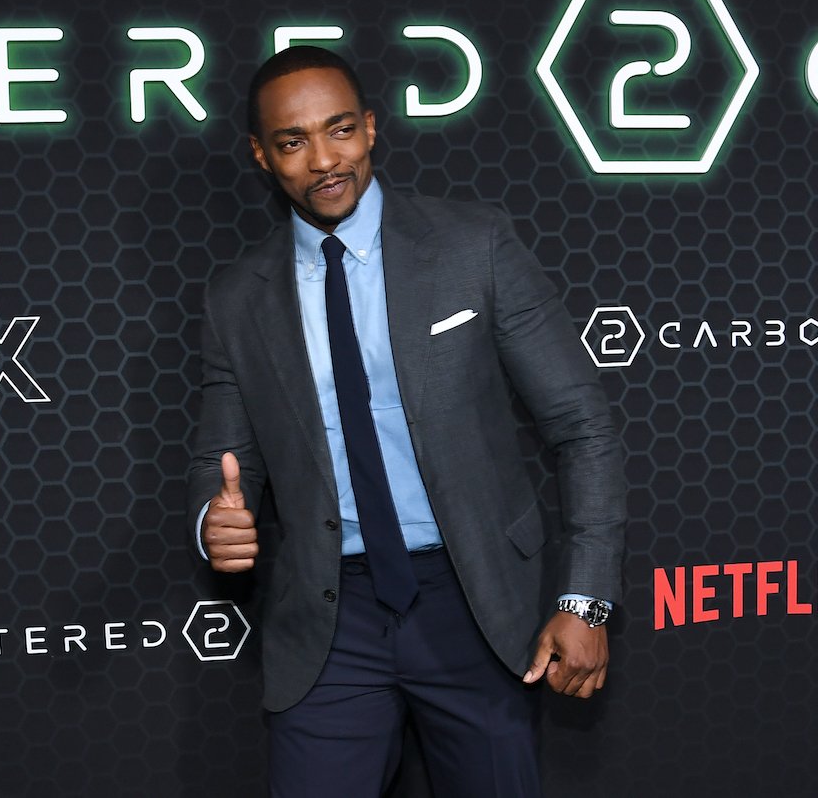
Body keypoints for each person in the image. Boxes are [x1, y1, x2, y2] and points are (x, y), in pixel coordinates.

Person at [186, 46, 627, 798]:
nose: (324, 160)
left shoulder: (473, 245)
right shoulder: (237, 299)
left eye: (340, 130)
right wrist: (212, 521)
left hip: (477, 602)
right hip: (329, 620)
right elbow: (222, 461)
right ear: (262, 154)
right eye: (292, 142)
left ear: (370, 127)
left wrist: (584, 598)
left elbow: (582, 425)